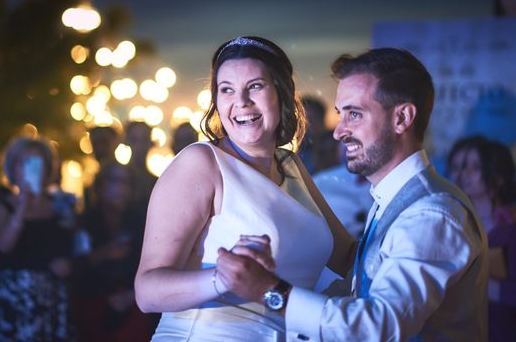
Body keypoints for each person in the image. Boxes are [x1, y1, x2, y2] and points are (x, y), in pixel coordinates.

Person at [217, 47, 488, 341]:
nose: (339, 132)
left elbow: (379, 326)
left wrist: (268, 291)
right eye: (340, 114)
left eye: (354, 114)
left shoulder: (432, 213)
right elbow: (357, 292)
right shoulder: (392, 200)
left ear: (402, 118)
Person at [134, 36, 355, 341]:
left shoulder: (290, 164)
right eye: (227, 90)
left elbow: (348, 257)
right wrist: (223, 278)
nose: (241, 102)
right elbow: (147, 292)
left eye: (255, 86)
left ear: (282, 92)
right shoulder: (201, 163)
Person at [0, 136, 76, 341]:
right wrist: (22, 208)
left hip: (51, 302)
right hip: (12, 303)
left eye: (37, 163)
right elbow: (3, 247)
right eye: (25, 162)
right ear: (13, 167)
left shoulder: (61, 206)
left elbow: (75, 247)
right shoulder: (0, 206)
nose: (32, 169)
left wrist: (69, 265)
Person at [447, 135, 516, 342]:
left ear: (499, 176)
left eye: (475, 167)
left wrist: (470, 280)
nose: (463, 174)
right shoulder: (451, 222)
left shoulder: (513, 227)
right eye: (458, 166)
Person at [73, 162, 155, 342]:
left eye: (125, 182)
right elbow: (72, 267)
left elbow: (155, 263)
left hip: (133, 305)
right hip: (93, 305)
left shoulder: (141, 221)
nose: (119, 187)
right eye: (113, 180)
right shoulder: (85, 221)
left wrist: (132, 295)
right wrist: (104, 254)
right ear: (101, 185)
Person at [297, 96, 327, 175]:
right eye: (300, 121)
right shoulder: (295, 155)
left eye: (310, 120)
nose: (305, 127)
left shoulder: (333, 151)